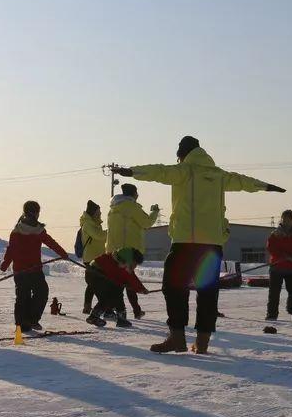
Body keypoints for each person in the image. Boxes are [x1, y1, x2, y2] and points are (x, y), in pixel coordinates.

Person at [114, 135, 283, 354]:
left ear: (182, 155)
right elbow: (244, 182)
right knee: (208, 292)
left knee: (173, 287)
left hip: (185, 242)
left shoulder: (185, 171)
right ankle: (202, 343)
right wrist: (267, 186)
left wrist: (132, 171)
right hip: (211, 244)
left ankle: (177, 338)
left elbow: (159, 171)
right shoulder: (218, 174)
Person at [0, 201, 69, 333]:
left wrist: (63, 254)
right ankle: (23, 324)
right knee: (29, 295)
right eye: (37, 212)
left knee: (36, 294)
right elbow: (12, 249)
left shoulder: (27, 230)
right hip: (25, 270)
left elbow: (11, 250)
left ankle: (28, 321)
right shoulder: (25, 231)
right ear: (34, 213)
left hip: (29, 269)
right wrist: (63, 254)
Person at [106, 184, 159, 319]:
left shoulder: (113, 209)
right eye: (137, 193)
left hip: (113, 250)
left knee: (122, 281)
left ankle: (134, 310)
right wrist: (154, 212)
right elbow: (146, 222)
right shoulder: (132, 207)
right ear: (133, 194)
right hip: (128, 251)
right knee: (125, 282)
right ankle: (112, 311)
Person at [85, 248, 150, 328]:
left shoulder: (116, 259)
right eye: (134, 264)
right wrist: (141, 289)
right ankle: (96, 317)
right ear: (130, 260)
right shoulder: (122, 265)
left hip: (92, 274)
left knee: (113, 294)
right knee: (109, 297)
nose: (135, 267)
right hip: (98, 276)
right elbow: (131, 278)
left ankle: (117, 318)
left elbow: (130, 278)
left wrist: (140, 288)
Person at [266, 210, 292, 321]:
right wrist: (283, 255)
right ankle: (272, 314)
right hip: (277, 266)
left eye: (288, 219)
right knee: (274, 292)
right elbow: (271, 247)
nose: (286, 221)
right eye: (284, 219)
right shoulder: (276, 233)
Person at [78, 200, 106, 315]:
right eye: (98, 211)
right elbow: (98, 236)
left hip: (98, 257)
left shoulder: (95, 224)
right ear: (93, 212)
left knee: (92, 285)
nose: (100, 213)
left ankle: (87, 307)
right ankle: (105, 307)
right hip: (91, 258)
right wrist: (112, 233)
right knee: (99, 285)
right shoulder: (88, 224)